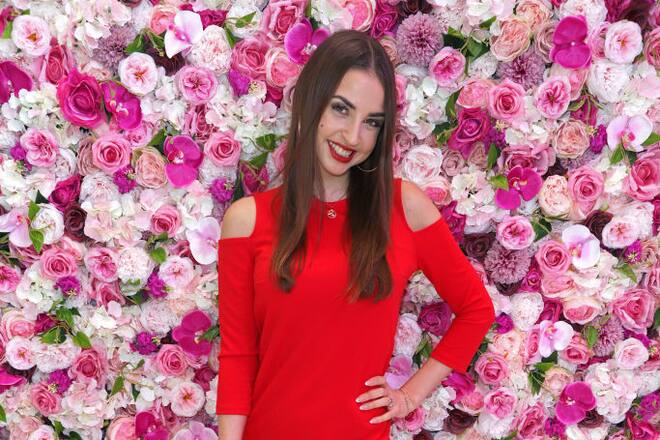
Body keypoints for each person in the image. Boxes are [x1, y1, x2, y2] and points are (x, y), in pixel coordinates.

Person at [216, 30, 495, 440]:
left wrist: (410, 396)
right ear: (311, 102)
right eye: (341, 109)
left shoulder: (404, 208)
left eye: (371, 123)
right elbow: (239, 357)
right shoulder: (247, 220)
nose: (352, 137)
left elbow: (476, 310)